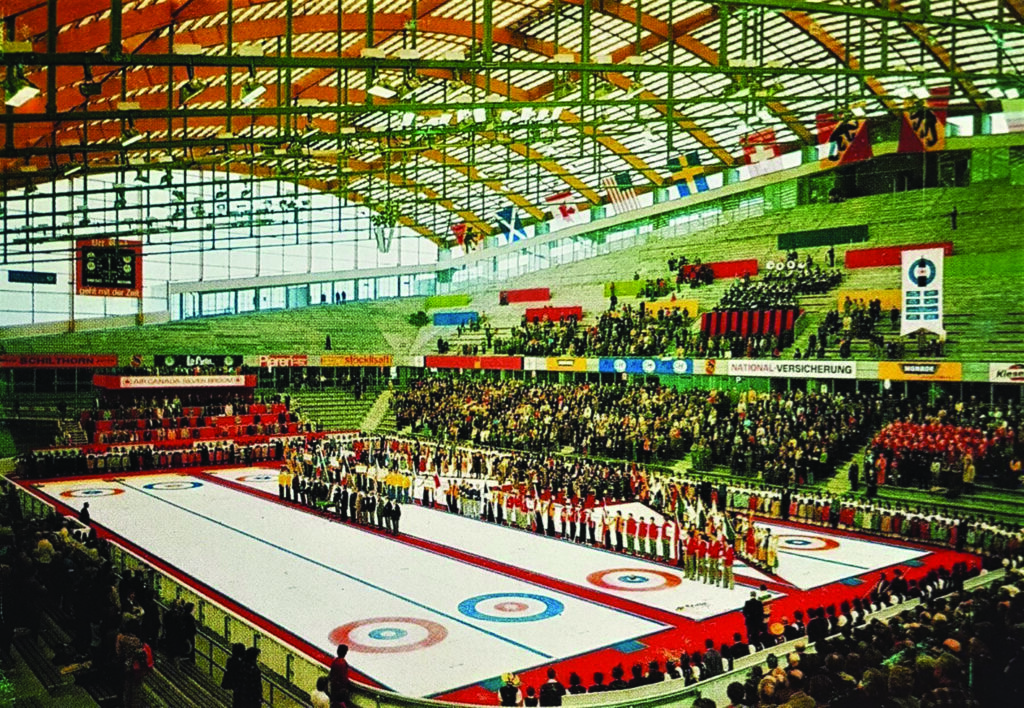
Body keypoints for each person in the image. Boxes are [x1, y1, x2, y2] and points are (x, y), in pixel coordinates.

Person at [329, 644, 350, 708]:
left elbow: (331, 673)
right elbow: (344, 678)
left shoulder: (335, 661)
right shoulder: (343, 663)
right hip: (340, 689)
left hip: (334, 687)